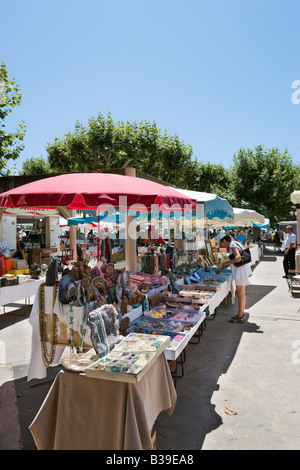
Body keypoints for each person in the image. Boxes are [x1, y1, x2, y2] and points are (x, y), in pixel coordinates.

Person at [216, 234, 252, 323]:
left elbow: (238, 258)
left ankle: (240, 316)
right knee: (241, 294)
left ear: (225, 241)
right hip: (241, 272)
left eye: (222, 244)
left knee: (240, 294)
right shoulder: (234, 243)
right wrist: (220, 269)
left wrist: (228, 262)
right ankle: (240, 314)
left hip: (241, 272)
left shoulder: (233, 245)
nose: (222, 246)